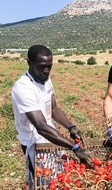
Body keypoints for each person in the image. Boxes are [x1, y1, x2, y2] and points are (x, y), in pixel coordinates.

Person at [11, 45, 92, 188]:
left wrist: (70, 126)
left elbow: (53, 108)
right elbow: (41, 127)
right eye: (42, 66)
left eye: (50, 66)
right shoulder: (24, 87)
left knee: (58, 179)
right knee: (42, 181)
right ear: (29, 63)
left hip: (53, 138)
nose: (46, 70)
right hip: (34, 143)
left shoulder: (45, 79)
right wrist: (73, 147)